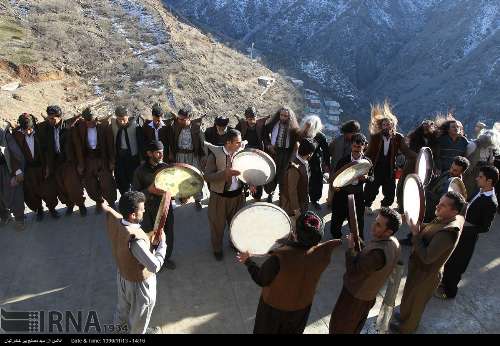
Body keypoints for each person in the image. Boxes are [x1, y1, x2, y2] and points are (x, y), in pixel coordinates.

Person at [237, 211, 342, 334]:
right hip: (301, 309)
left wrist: (248, 262)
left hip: (273, 310)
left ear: (295, 234)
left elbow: (261, 279)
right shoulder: (324, 254)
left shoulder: (280, 258)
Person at [390, 191, 466, 334]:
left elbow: (427, 257)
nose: (437, 206)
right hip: (419, 269)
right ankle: (405, 317)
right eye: (439, 202)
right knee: (409, 296)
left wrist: (415, 235)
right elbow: (432, 227)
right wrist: (414, 222)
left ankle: (407, 328)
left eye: (442, 205)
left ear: (454, 211)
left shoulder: (448, 232)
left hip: (427, 274)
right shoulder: (444, 218)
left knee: (416, 304)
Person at [330, 207, 401, 334]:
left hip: (354, 299)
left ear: (388, 231)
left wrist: (351, 249)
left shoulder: (377, 255)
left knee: (340, 327)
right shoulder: (394, 243)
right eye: (375, 221)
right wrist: (359, 243)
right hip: (366, 297)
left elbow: (354, 271)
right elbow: (367, 260)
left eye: (378, 225)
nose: (373, 226)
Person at [105, 191, 164, 334]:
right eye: (141, 210)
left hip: (123, 276)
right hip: (139, 285)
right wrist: (163, 244)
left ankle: (117, 332)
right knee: (140, 318)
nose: (144, 212)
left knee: (122, 310)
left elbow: (108, 209)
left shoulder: (118, 221)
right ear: (132, 215)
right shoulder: (136, 240)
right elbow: (154, 266)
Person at [437, 165, 499, 299]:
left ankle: (449, 292)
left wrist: (464, 228)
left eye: (481, 177)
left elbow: (485, 227)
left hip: (467, 238)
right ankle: (443, 284)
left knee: (457, 265)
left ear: (489, 181)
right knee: (450, 260)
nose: (477, 178)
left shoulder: (491, 202)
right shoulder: (480, 191)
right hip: (461, 231)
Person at [364, 102, 416, 214]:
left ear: (393, 125)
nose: (387, 126)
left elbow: (406, 151)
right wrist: (362, 162)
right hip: (375, 167)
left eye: (389, 124)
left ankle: (385, 206)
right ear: (381, 126)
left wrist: (419, 157)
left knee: (390, 191)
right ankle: (367, 205)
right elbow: (369, 152)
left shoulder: (398, 137)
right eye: (385, 124)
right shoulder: (375, 137)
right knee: (371, 189)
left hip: (390, 168)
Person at [132, 140, 176, 270]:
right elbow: (135, 195)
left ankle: (165, 259)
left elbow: (173, 187)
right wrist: (149, 191)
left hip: (165, 208)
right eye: (157, 153)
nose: (161, 155)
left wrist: (181, 194)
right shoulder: (139, 171)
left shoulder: (166, 168)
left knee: (167, 234)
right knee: (149, 235)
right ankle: (151, 261)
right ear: (149, 153)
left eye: (162, 152)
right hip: (147, 210)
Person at [204, 128, 245, 260]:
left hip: (238, 196)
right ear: (228, 142)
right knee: (217, 225)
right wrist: (224, 174)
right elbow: (207, 177)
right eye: (238, 142)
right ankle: (217, 249)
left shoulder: (240, 154)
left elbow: (246, 172)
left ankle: (234, 243)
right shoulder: (215, 155)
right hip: (220, 198)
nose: (241, 144)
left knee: (237, 223)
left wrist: (251, 183)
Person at [38, 106, 86, 216]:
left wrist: (80, 164)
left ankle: (81, 205)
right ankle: (69, 205)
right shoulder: (46, 129)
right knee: (61, 188)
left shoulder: (69, 127)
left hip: (68, 161)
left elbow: (77, 146)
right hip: (55, 163)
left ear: (60, 118)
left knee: (73, 186)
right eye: (49, 118)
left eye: (53, 119)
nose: (50, 121)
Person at [13, 113, 59, 221]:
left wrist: (48, 166)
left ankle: (52, 208)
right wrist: (18, 171)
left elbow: (48, 150)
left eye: (29, 129)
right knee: (32, 192)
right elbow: (13, 154)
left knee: (49, 189)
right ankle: (39, 210)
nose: (28, 132)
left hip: (42, 166)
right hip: (29, 169)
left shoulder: (40, 131)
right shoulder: (17, 135)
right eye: (25, 130)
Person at [73, 107, 117, 213]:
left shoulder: (104, 126)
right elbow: (78, 147)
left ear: (96, 119)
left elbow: (110, 146)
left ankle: (111, 202)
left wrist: (111, 161)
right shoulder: (80, 127)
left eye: (92, 120)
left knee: (107, 181)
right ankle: (98, 201)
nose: (90, 123)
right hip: (89, 158)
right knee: (90, 183)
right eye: (88, 121)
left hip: (102, 158)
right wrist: (80, 163)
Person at [330, 133, 372, 240]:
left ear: (364, 146)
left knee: (357, 220)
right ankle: (336, 238)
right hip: (342, 194)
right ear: (351, 146)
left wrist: (366, 178)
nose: (357, 149)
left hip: (357, 194)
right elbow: (335, 178)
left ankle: (358, 240)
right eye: (354, 146)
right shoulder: (343, 161)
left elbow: (372, 178)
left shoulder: (367, 162)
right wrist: (334, 187)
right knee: (337, 218)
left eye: (359, 146)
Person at [396, 120, 438, 214]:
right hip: (412, 163)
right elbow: (408, 150)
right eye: (425, 124)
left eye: (429, 125)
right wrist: (418, 157)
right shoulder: (414, 135)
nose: (426, 126)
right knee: (405, 182)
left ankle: (416, 206)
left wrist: (428, 160)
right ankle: (402, 205)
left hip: (427, 164)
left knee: (421, 185)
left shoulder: (434, 138)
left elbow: (434, 151)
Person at [168, 108, 204, 209]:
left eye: (183, 119)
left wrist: (202, 158)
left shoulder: (196, 128)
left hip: (193, 156)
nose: (180, 121)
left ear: (189, 118)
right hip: (179, 155)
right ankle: (181, 198)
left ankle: (198, 199)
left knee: (196, 177)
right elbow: (171, 141)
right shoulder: (175, 127)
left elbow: (202, 143)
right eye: (179, 119)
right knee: (180, 178)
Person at [263, 106, 300, 203]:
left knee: (283, 177)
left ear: (289, 117)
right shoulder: (273, 124)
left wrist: (292, 158)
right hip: (274, 152)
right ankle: (270, 193)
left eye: (286, 116)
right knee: (272, 175)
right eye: (281, 115)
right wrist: (268, 145)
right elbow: (264, 134)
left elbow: (297, 143)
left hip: (286, 154)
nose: (283, 117)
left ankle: (282, 197)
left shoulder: (293, 129)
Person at [422, 156, 469, 224]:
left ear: (462, 172)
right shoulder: (447, 173)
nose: (451, 171)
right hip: (425, 207)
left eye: (455, 170)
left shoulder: (457, 189)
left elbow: (443, 202)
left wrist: (427, 194)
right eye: (451, 168)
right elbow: (436, 181)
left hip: (433, 214)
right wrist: (430, 174)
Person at [235, 107, 269, 201]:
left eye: (253, 118)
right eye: (249, 119)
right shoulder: (241, 125)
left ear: (256, 117)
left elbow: (266, 138)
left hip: (257, 155)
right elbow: (235, 136)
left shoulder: (261, 126)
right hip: (244, 154)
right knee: (243, 175)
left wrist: (268, 145)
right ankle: (244, 194)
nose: (252, 121)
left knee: (257, 176)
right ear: (246, 118)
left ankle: (257, 197)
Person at [298, 115, 330, 210]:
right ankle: (299, 198)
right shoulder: (301, 134)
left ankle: (315, 199)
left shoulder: (320, 136)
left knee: (317, 180)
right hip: (301, 159)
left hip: (315, 161)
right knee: (300, 178)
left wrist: (327, 164)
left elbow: (326, 151)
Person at [110, 106, 144, 195]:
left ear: (127, 116)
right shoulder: (113, 124)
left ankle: (136, 201)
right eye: (119, 119)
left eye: (123, 119)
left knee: (135, 182)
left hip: (133, 158)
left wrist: (142, 159)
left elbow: (141, 143)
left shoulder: (135, 125)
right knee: (122, 182)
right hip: (120, 158)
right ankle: (125, 200)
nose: (121, 122)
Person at [327, 120, 361, 207]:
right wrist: (327, 164)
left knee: (344, 189)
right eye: (351, 133)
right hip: (335, 168)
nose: (353, 135)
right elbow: (329, 151)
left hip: (348, 171)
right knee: (332, 187)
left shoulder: (357, 142)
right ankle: (330, 202)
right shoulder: (337, 140)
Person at [280, 138, 316, 218]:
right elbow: (292, 191)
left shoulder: (303, 162)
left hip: (302, 201)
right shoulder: (294, 168)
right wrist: (296, 209)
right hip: (292, 207)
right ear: (309, 154)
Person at [0, 120, 25, 230]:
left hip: (6, 168)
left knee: (15, 193)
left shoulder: (4, 135)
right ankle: (5, 216)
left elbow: (15, 153)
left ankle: (19, 219)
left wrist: (17, 171)